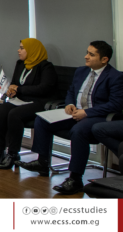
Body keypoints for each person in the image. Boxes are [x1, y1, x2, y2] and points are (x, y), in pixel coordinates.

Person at [17, 41, 123, 195]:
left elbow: (115, 104)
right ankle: (42, 162)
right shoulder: (81, 71)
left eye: (91, 54)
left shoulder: (115, 77)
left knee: (78, 131)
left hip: (96, 116)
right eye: (87, 52)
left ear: (104, 59)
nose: (86, 56)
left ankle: (75, 179)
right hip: (75, 112)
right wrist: (69, 104)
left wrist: (87, 112)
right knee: (42, 119)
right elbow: (71, 92)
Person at [0, 38, 57, 170]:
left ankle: (13, 153)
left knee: (14, 114)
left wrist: (19, 89)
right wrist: (11, 89)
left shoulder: (46, 67)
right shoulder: (21, 64)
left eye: (22, 48)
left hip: (39, 102)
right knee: (0, 111)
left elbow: (43, 89)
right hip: (21, 100)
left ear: (32, 50)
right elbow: (15, 83)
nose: (18, 50)